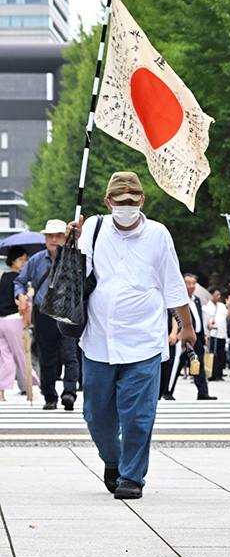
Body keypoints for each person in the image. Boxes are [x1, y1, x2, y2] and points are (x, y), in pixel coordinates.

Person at [69, 171, 196, 499]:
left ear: (142, 201)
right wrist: (71, 243)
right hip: (99, 340)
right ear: (108, 202)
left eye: (132, 200)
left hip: (144, 342)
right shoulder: (93, 230)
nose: (125, 206)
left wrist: (187, 325)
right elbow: (72, 277)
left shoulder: (157, 234)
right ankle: (113, 459)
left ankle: (132, 477)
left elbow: (172, 283)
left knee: (138, 416)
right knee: (96, 415)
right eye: (119, 201)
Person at [14, 219, 79, 411]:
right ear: (45, 238)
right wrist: (21, 296)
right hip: (43, 313)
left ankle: (69, 393)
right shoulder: (36, 260)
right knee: (46, 356)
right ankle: (50, 396)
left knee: (70, 355)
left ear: (65, 237)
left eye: (58, 235)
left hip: (67, 311)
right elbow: (20, 281)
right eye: (50, 235)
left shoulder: (72, 258)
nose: (53, 239)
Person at [0, 247, 37, 399]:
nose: (24, 262)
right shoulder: (18, 279)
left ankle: (1, 391)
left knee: (5, 358)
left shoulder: (4, 276)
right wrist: (29, 294)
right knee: (23, 354)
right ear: (13, 260)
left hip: (1, 321)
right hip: (14, 320)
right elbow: (19, 302)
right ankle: (30, 388)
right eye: (21, 259)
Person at [183, 275, 215, 401]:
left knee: (198, 365)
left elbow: (199, 319)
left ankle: (203, 392)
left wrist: (203, 336)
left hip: (196, 339)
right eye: (188, 283)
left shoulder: (196, 300)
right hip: (184, 339)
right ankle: (167, 390)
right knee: (176, 365)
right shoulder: (181, 300)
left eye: (193, 283)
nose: (191, 286)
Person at [207, 288, 228, 380]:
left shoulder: (222, 306)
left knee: (221, 354)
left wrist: (229, 306)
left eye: (219, 295)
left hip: (222, 333)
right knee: (213, 354)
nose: (218, 297)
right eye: (216, 295)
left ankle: (219, 373)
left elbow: (228, 316)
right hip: (213, 334)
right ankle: (212, 373)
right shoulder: (208, 306)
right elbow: (206, 320)